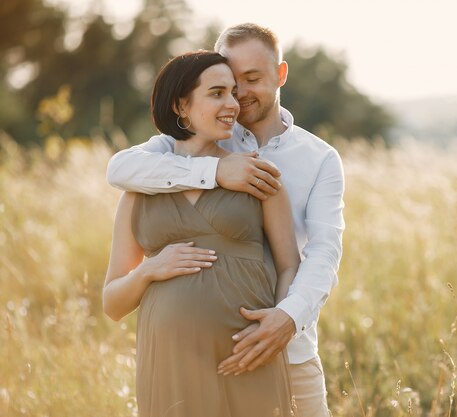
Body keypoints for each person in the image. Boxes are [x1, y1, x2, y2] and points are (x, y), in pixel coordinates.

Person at [107, 23, 345, 417]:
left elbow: (322, 254)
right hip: (184, 361)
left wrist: (286, 319)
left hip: (285, 345)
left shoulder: (319, 159)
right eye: (230, 85)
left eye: (251, 80)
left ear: (280, 74)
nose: (239, 97)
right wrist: (215, 172)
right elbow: (121, 168)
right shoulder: (207, 132)